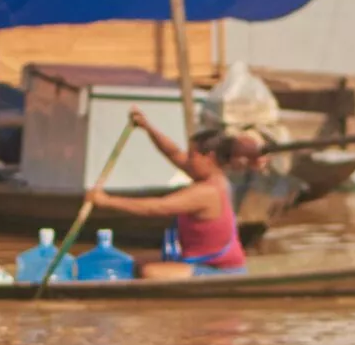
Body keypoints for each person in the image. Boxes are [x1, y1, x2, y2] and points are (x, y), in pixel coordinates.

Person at [88, 108, 256, 278]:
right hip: (197, 262)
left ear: (209, 157)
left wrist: (107, 201)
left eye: (192, 155)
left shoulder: (208, 191)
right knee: (135, 261)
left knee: (150, 272)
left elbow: (157, 207)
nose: (187, 160)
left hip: (220, 271)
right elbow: (173, 153)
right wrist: (148, 127)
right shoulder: (211, 177)